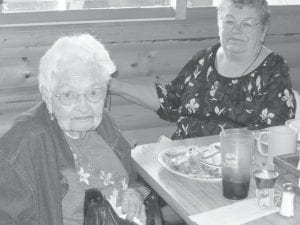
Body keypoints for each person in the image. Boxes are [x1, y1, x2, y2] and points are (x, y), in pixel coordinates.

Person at [0, 34, 151, 225]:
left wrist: (135, 193)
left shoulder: (103, 123)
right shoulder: (25, 143)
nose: (84, 106)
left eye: (93, 92)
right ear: (47, 96)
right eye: (69, 94)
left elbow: (131, 178)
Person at [109, 0, 296, 140]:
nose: (236, 30)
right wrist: (117, 86)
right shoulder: (204, 59)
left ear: (263, 31)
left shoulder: (273, 70)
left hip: (235, 168)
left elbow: (273, 136)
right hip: (184, 159)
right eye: (229, 21)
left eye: (247, 23)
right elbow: (170, 101)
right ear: (219, 25)